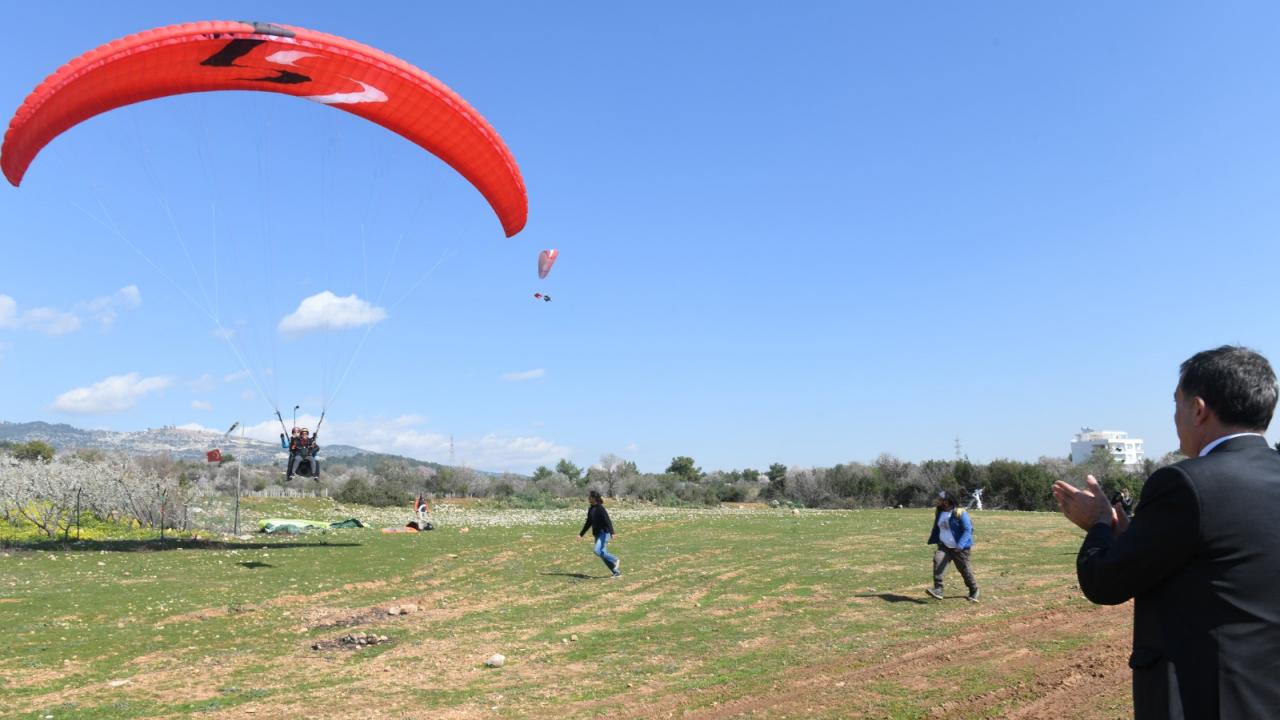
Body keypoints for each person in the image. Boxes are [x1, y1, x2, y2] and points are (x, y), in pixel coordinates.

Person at [1052, 345, 1280, 719]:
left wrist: (1097, 523)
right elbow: (1219, 564)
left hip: (1205, 697)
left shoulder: (1184, 484)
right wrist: (1130, 535)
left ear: (1198, 409)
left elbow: (1104, 582)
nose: (1174, 418)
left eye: (1177, 404)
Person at [926, 490, 979, 602]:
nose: (939, 501)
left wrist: (960, 545)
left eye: (941, 499)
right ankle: (938, 589)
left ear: (948, 501)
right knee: (938, 561)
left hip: (960, 548)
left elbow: (968, 529)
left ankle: (973, 589)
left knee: (964, 570)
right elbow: (938, 528)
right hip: (944, 546)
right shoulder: (940, 512)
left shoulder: (959, 512)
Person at [579, 489, 620, 577]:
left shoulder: (601, 508)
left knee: (597, 551)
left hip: (604, 533)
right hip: (597, 534)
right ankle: (616, 572)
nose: (588, 498)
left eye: (590, 497)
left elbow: (607, 520)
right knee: (603, 555)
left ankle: (615, 559)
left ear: (594, 498)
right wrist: (581, 534)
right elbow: (588, 523)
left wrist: (612, 532)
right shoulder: (591, 509)